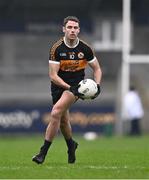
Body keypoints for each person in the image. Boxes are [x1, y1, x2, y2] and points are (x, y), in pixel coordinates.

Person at [32, 16, 102, 164]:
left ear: (79, 30)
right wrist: (69, 87)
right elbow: (53, 76)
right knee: (63, 121)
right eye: (69, 27)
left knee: (56, 111)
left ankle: (42, 153)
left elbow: (97, 68)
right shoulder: (57, 48)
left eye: (75, 28)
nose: (72, 30)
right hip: (59, 86)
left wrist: (97, 86)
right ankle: (71, 145)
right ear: (63, 29)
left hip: (77, 87)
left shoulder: (85, 48)